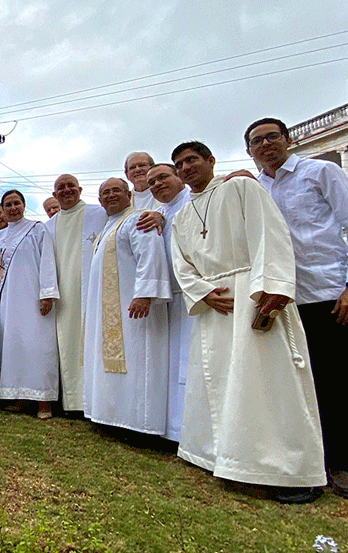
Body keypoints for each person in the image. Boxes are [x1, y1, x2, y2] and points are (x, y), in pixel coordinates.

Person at [169, 140, 324, 503]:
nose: (186, 168)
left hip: (252, 294)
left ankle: (287, 470)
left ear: (211, 160)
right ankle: (224, 458)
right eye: (179, 164)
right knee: (219, 382)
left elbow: (270, 234)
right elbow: (181, 263)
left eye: (192, 160)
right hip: (216, 304)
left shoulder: (241, 187)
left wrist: (273, 287)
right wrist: (202, 292)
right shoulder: (182, 215)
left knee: (266, 382)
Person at [243, 117, 348, 496]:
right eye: (257, 141)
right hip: (281, 300)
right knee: (296, 386)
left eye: (272, 137)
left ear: (288, 139)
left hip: (327, 293)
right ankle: (307, 461)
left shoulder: (321, 172)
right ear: (249, 151)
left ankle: (341, 464)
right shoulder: (255, 189)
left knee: (336, 382)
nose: (266, 144)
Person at [83, 178, 170, 435]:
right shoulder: (106, 229)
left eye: (116, 191)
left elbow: (150, 254)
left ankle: (137, 422)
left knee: (136, 357)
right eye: (105, 193)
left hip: (133, 308)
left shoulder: (137, 219)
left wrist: (145, 294)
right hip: (109, 309)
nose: (110, 196)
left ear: (129, 194)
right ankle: (111, 416)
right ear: (99, 201)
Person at [0, 189, 59, 417]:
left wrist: (47, 293)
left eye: (16, 203)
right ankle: (18, 397)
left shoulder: (37, 229)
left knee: (37, 346)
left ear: (23, 205)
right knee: (12, 346)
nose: (12, 208)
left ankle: (43, 402)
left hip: (33, 298)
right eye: (7, 204)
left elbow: (47, 260)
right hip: (7, 301)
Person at [43, 174, 107, 414]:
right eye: (61, 187)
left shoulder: (98, 214)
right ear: (54, 194)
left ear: (80, 189)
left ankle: (94, 401)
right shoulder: (49, 226)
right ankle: (71, 403)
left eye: (71, 186)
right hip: (64, 296)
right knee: (67, 343)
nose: (66, 190)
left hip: (95, 291)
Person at [146, 163, 192, 442]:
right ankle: (174, 431)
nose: (157, 184)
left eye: (163, 177)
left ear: (179, 176)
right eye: (152, 182)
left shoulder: (195, 200)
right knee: (173, 367)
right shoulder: (159, 213)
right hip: (171, 298)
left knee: (191, 365)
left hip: (196, 296)